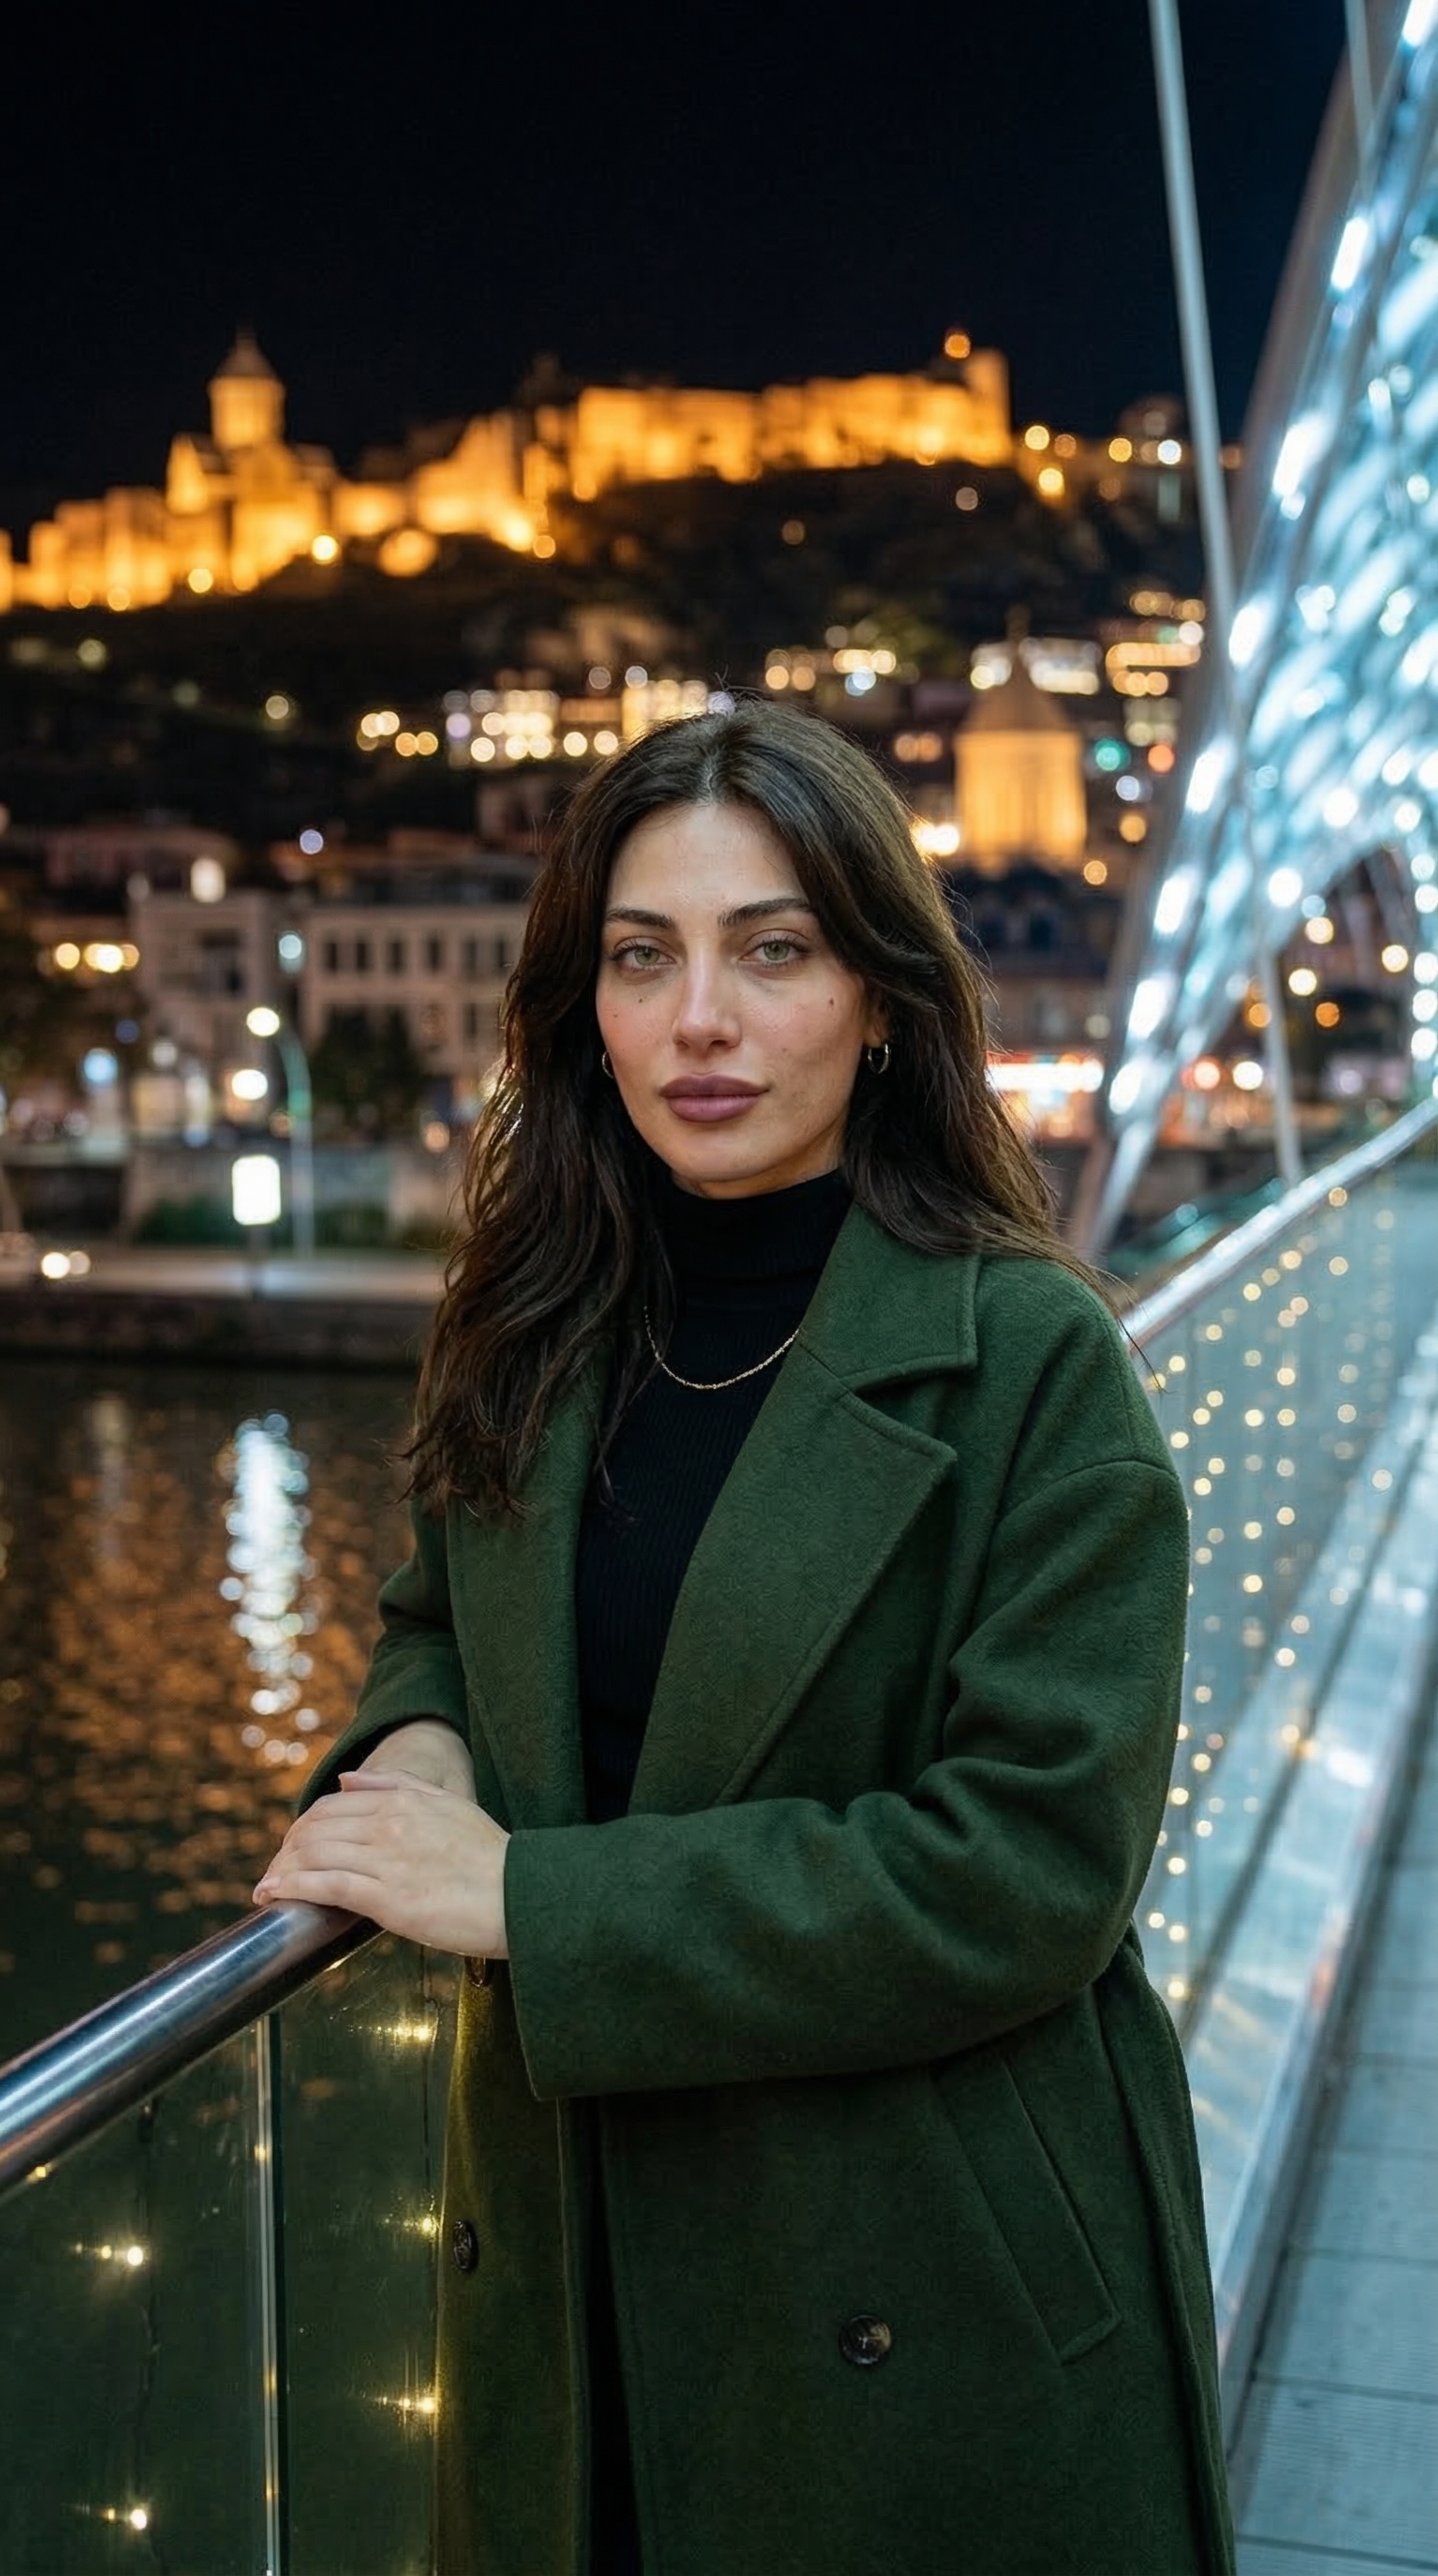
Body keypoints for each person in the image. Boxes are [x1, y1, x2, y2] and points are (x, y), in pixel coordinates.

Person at [255, 698, 1236, 2576]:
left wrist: (530, 1900)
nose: (698, 1017)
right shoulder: (532, 1322)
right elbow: (429, 1625)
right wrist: (420, 1746)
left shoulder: (1029, 1354)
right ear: (584, 1009)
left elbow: (1037, 1862)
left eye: (770, 949)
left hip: (912, 2280)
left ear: (882, 1001)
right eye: (643, 957)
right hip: (574, 2253)